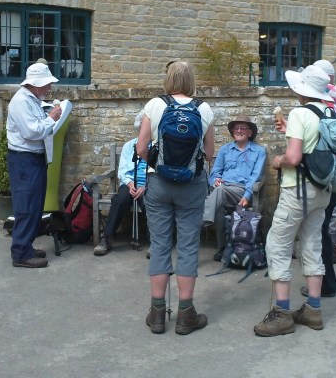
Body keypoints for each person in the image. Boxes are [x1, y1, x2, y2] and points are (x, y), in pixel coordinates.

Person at [253, 65, 333, 337]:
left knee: (277, 243)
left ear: (301, 89)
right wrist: (290, 129)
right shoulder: (328, 111)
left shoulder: (300, 112)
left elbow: (294, 158)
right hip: (322, 190)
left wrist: (278, 160)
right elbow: (314, 145)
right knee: (311, 244)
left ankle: (282, 313)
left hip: (297, 190)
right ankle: (313, 309)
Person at [136, 61, 215, 335]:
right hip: (191, 184)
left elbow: (141, 147)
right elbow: (209, 151)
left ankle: (157, 313)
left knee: (159, 244)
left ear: (169, 79)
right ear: (192, 79)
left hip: (158, 183)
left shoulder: (154, 105)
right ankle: (185, 315)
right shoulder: (204, 108)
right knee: (189, 245)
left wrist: (158, 166)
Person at [297, 59, 336, 298]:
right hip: (327, 173)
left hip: (331, 174)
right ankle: (325, 283)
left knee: (320, 229)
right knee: (320, 228)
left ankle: (326, 284)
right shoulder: (326, 103)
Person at [6, 59, 63, 268]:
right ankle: (20, 253)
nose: (49, 88)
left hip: (32, 158)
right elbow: (32, 132)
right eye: (47, 84)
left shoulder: (31, 99)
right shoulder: (21, 101)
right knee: (27, 206)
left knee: (34, 205)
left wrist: (48, 118)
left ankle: (25, 247)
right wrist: (51, 118)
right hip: (24, 159)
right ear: (36, 84)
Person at [203, 114, 266, 261]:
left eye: (243, 128)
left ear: (250, 132)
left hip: (241, 190)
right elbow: (215, 173)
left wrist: (248, 194)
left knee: (218, 193)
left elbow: (256, 176)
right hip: (223, 189)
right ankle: (223, 248)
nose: (239, 130)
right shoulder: (225, 150)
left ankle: (202, 220)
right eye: (236, 128)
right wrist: (215, 181)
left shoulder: (259, 151)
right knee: (218, 203)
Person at [93, 110, 149, 256]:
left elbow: (158, 170)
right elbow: (122, 171)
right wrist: (131, 185)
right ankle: (106, 238)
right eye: (143, 128)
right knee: (120, 199)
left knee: (151, 201)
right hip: (130, 183)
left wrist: (145, 186)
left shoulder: (157, 146)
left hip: (150, 184)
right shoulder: (129, 146)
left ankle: (155, 242)